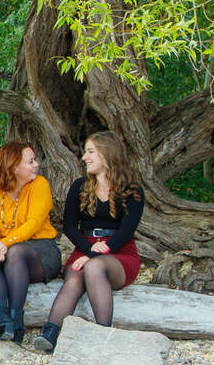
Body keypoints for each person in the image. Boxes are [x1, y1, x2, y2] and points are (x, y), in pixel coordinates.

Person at [33, 131, 144, 352]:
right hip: (84, 247)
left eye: (91, 151)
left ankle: (103, 334)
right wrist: (87, 250)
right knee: (74, 279)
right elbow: (70, 226)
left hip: (119, 253)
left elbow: (126, 231)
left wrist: (95, 254)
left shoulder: (132, 191)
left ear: (107, 154)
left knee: (93, 266)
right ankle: (50, 333)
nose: (85, 157)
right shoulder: (79, 186)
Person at [0, 141, 61, 344]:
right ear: (13, 167)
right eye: (30, 161)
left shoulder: (40, 185)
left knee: (16, 252)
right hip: (7, 252)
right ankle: (1, 317)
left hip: (41, 252)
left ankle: (16, 321)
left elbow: (34, 223)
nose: (36, 165)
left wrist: (6, 243)